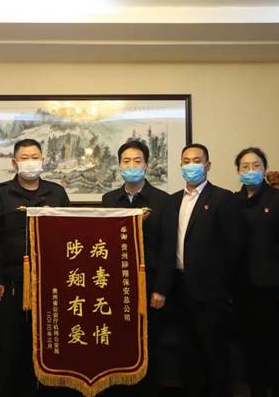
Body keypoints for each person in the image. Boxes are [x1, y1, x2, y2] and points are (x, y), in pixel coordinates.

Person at [0, 138, 70, 397]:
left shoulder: (57, 193)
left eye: (35, 157)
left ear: (43, 160)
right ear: (14, 162)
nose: (30, 162)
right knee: (8, 346)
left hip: (48, 283)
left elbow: (69, 234)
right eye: (24, 158)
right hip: (9, 284)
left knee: (44, 344)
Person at [163, 143, 244, 397]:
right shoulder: (172, 201)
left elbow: (234, 247)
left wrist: (222, 287)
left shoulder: (223, 198)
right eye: (186, 161)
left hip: (211, 291)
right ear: (180, 165)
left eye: (197, 160)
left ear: (207, 165)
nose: (191, 165)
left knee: (215, 351)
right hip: (179, 288)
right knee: (188, 352)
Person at [102, 139, 170, 397]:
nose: (132, 166)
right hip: (116, 287)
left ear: (147, 166)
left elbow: (168, 249)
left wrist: (161, 289)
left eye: (137, 161)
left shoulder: (163, 201)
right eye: (126, 161)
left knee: (149, 345)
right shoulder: (109, 199)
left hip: (150, 286)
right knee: (118, 343)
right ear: (119, 166)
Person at [233, 147, 279, 397]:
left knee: (273, 345)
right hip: (242, 286)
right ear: (238, 171)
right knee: (249, 346)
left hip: (271, 285)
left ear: (265, 169)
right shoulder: (232, 201)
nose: (250, 170)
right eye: (245, 166)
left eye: (256, 165)